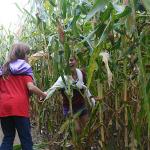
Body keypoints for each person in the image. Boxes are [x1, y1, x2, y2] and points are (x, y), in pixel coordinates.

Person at [0, 43, 47, 150]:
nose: (28, 57)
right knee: (26, 139)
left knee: (8, 137)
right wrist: (43, 94)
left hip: (4, 107)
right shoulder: (24, 69)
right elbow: (31, 87)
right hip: (19, 108)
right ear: (22, 55)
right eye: (27, 54)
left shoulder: (4, 70)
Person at [45, 55, 95, 133]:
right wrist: (43, 96)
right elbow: (52, 89)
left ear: (76, 61)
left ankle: (86, 144)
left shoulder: (81, 74)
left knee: (87, 128)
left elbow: (86, 89)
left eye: (71, 60)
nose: (69, 63)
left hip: (81, 105)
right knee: (77, 129)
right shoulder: (63, 79)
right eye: (66, 61)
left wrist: (93, 102)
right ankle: (76, 143)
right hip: (69, 107)